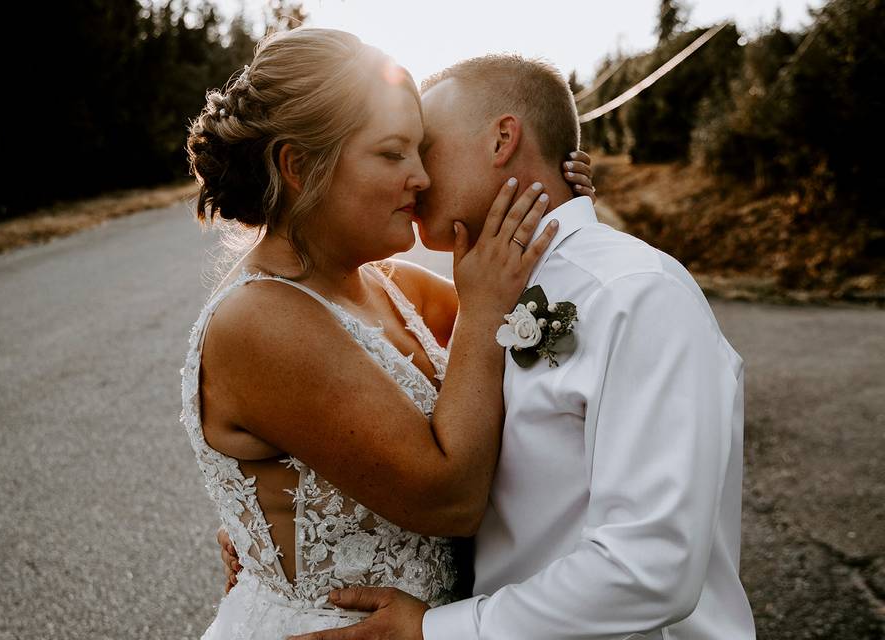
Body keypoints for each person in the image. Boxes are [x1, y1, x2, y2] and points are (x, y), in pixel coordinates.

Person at [279, 56, 757, 640]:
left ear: (503, 138)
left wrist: (437, 632)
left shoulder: (633, 295)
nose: (418, 177)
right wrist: (276, 537)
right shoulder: (485, 291)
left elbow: (650, 569)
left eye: (425, 147)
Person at [181, 28, 592, 638]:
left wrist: (560, 210)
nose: (422, 176)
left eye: (422, 151)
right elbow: (451, 500)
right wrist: (481, 313)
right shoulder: (257, 321)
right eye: (393, 153)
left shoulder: (399, 286)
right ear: (299, 166)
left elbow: (536, 351)